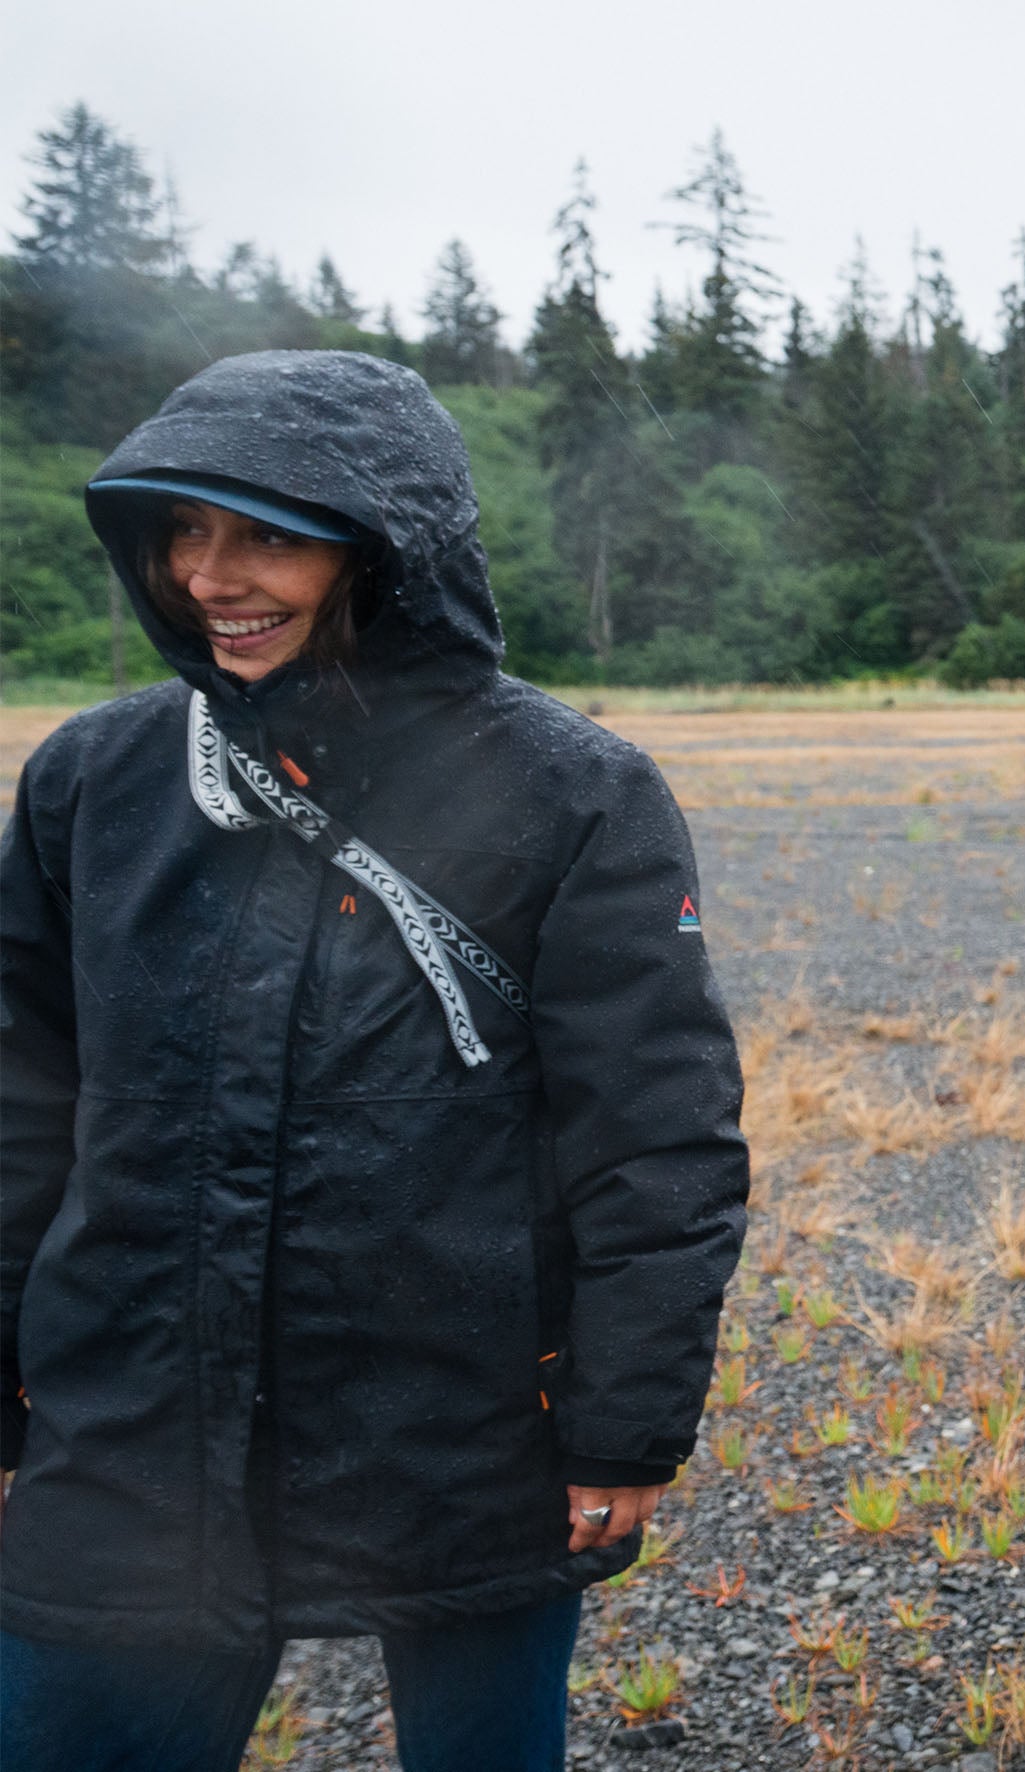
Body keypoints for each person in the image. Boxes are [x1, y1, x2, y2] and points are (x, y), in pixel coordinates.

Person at [0, 350, 749, 1771]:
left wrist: (625, 1424)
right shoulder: (95, 782)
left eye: (267, 536)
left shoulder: (571, 790)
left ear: (386, 549)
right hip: (129, 1419)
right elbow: (18, 1110)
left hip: (464, 1420)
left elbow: (656, 1135)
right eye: (183, 531)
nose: (209, 576)